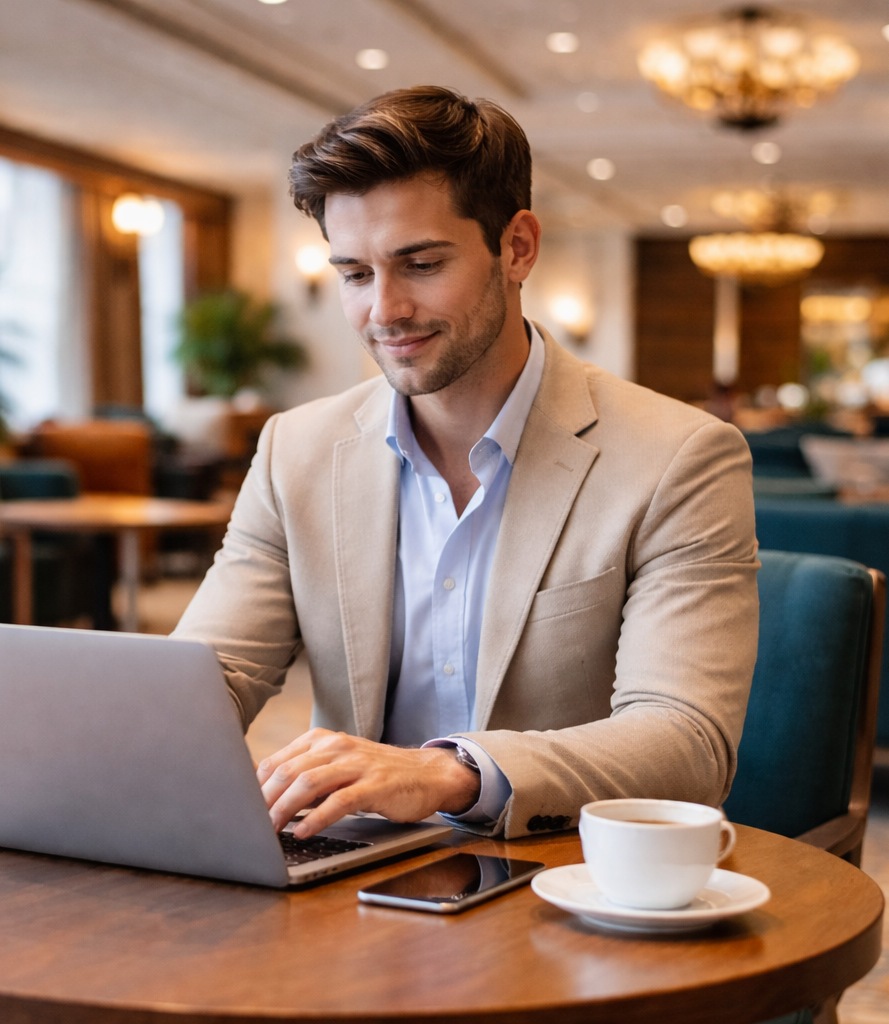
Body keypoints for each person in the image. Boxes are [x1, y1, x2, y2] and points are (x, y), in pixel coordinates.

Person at [173, 86, 759, 841]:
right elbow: (207, 680)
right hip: (350, 883)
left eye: (419, 264)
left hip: (559, 878)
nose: (383, 310)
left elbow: (687, 740)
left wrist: (450, 772)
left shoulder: (677, 457)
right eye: (354, 274)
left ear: (517, 247)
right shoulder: (297, 450)